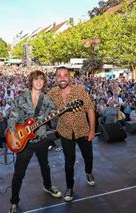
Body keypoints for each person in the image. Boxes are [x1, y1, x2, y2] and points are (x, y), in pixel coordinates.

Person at [8, 70, 61, 213]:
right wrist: (13, 135)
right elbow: (12, 117)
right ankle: (14, 201)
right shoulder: (21, 99)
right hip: (24, 142)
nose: (39, 82)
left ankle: (48, 186)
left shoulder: (47, 100)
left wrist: (58, 116)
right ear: (31, 81)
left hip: (42, 139)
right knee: (19, 173)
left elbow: (55, 122)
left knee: (45, 166)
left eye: (41, 79)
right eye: (36, 79)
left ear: (44, 82)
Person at [47, 66, 96, 202]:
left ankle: (89, 172)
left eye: (65, 75)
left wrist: (92, 130)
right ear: (56, 78)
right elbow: (43, 108)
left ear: (69, 77)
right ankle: (69, 187)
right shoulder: (52, 94)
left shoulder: (79, 91)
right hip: (65, 132)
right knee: (69, 162)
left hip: (83, 130)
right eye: (59, 75)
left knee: (88, 156)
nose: (62, 78)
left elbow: (90, 110)